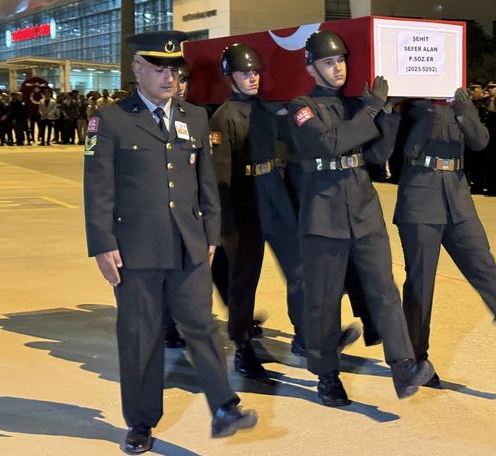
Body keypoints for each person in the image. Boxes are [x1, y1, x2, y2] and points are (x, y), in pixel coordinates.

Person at [83, 30, 256, 454]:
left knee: (201, 326)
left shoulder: (194, 117)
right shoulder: (109, 119)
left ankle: (224, 407)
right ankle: (140, 422)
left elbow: (204, 186)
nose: (168, 77)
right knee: (141, 336)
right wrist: (102, 246)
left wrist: (211, 235)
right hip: (135, 250)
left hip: (188, 245)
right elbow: (97, 189)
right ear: (137, 68)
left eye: (174, 69)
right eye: (159, 68)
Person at [283, 30, 433, 407]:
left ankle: (402, 365)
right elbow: (330, 143)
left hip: (363, 209)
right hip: (324, 213)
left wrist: (389, 112)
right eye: (329, 63)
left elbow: (377, 155)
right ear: (312, 67)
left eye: (342, 61)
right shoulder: (302, 107)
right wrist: (369, 111)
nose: (339, 68)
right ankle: (326, 373)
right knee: (324, 298)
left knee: (384, 289)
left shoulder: (354, 104)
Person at [395, 89, 496, 384]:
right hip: (420, 196)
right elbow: (406, 149)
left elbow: (480, 141)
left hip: (457, 196)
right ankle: (414, 360)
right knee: (420, 282)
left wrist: (461, 108)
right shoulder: (410, 101)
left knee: (483, 264)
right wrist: (428, 110)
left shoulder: (460, 98)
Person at [207, 43, 270, 378]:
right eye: (245, 73)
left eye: (256, 72)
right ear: (230, 77)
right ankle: (243, 347)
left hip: (263, 206)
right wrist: (226, 227)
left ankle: (243, 325)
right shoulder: (224, 116)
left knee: (248, 279)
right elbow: (220, 178)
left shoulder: (263, 110)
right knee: (242, 281)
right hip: (239, 212)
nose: (253, 78)